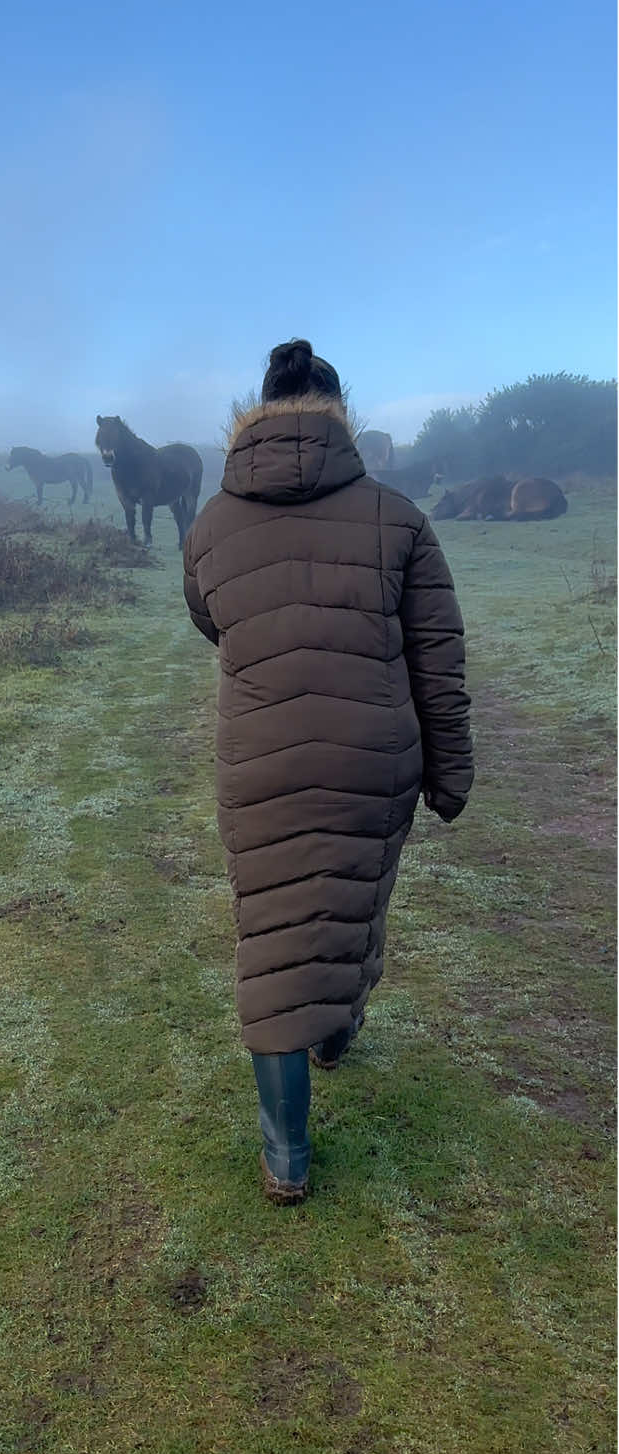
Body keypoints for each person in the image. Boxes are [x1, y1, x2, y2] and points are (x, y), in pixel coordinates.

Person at [182, 339, 473, 1205]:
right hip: (371, 757)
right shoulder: (398, 516)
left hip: (258, 758)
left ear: (254, 415)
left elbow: (211, 622)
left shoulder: (208, 527)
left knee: (270, 935)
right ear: (340, 413)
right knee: (350, 895)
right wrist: (448, 770)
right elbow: (436, 654)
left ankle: (286, 1155)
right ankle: (335, 1034)